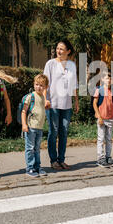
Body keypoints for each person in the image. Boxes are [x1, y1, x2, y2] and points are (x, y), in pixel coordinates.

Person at [43, 40, 79, 170]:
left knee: (63, 132)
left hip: (67, 104)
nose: (58, 51)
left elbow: (74, 85)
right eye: (57, 48)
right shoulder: (50, 64)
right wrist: (45, 99)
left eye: (62, 49)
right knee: (53, 132)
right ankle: (53, 160)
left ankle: (61, 159)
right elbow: (45, 83)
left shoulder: (72, 65)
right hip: (52, 103)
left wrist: (76, 101)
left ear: (68, 51)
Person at [21, 74, 49, 177]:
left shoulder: (42, 97)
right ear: (34, 84)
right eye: (37, 84)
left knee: (37, 148)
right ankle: (30, 168)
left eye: (41, 85)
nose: (39, 87)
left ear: (46, 87)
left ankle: (37, 166)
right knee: (30, 148)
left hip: (39, 128)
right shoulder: (30, 96)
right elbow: (24, 111)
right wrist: (24, 124)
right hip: (30, 127)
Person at [93, 71, 113, 168]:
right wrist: (99, 116)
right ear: (102, 79)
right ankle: (100, 158)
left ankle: (108, 157)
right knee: (101, 139)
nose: (108, 80)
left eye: (110, 78)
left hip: (110, 118)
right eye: (106, 78)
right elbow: (94, 104)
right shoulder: (99, 90)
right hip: (102, 118)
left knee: (109, 139)